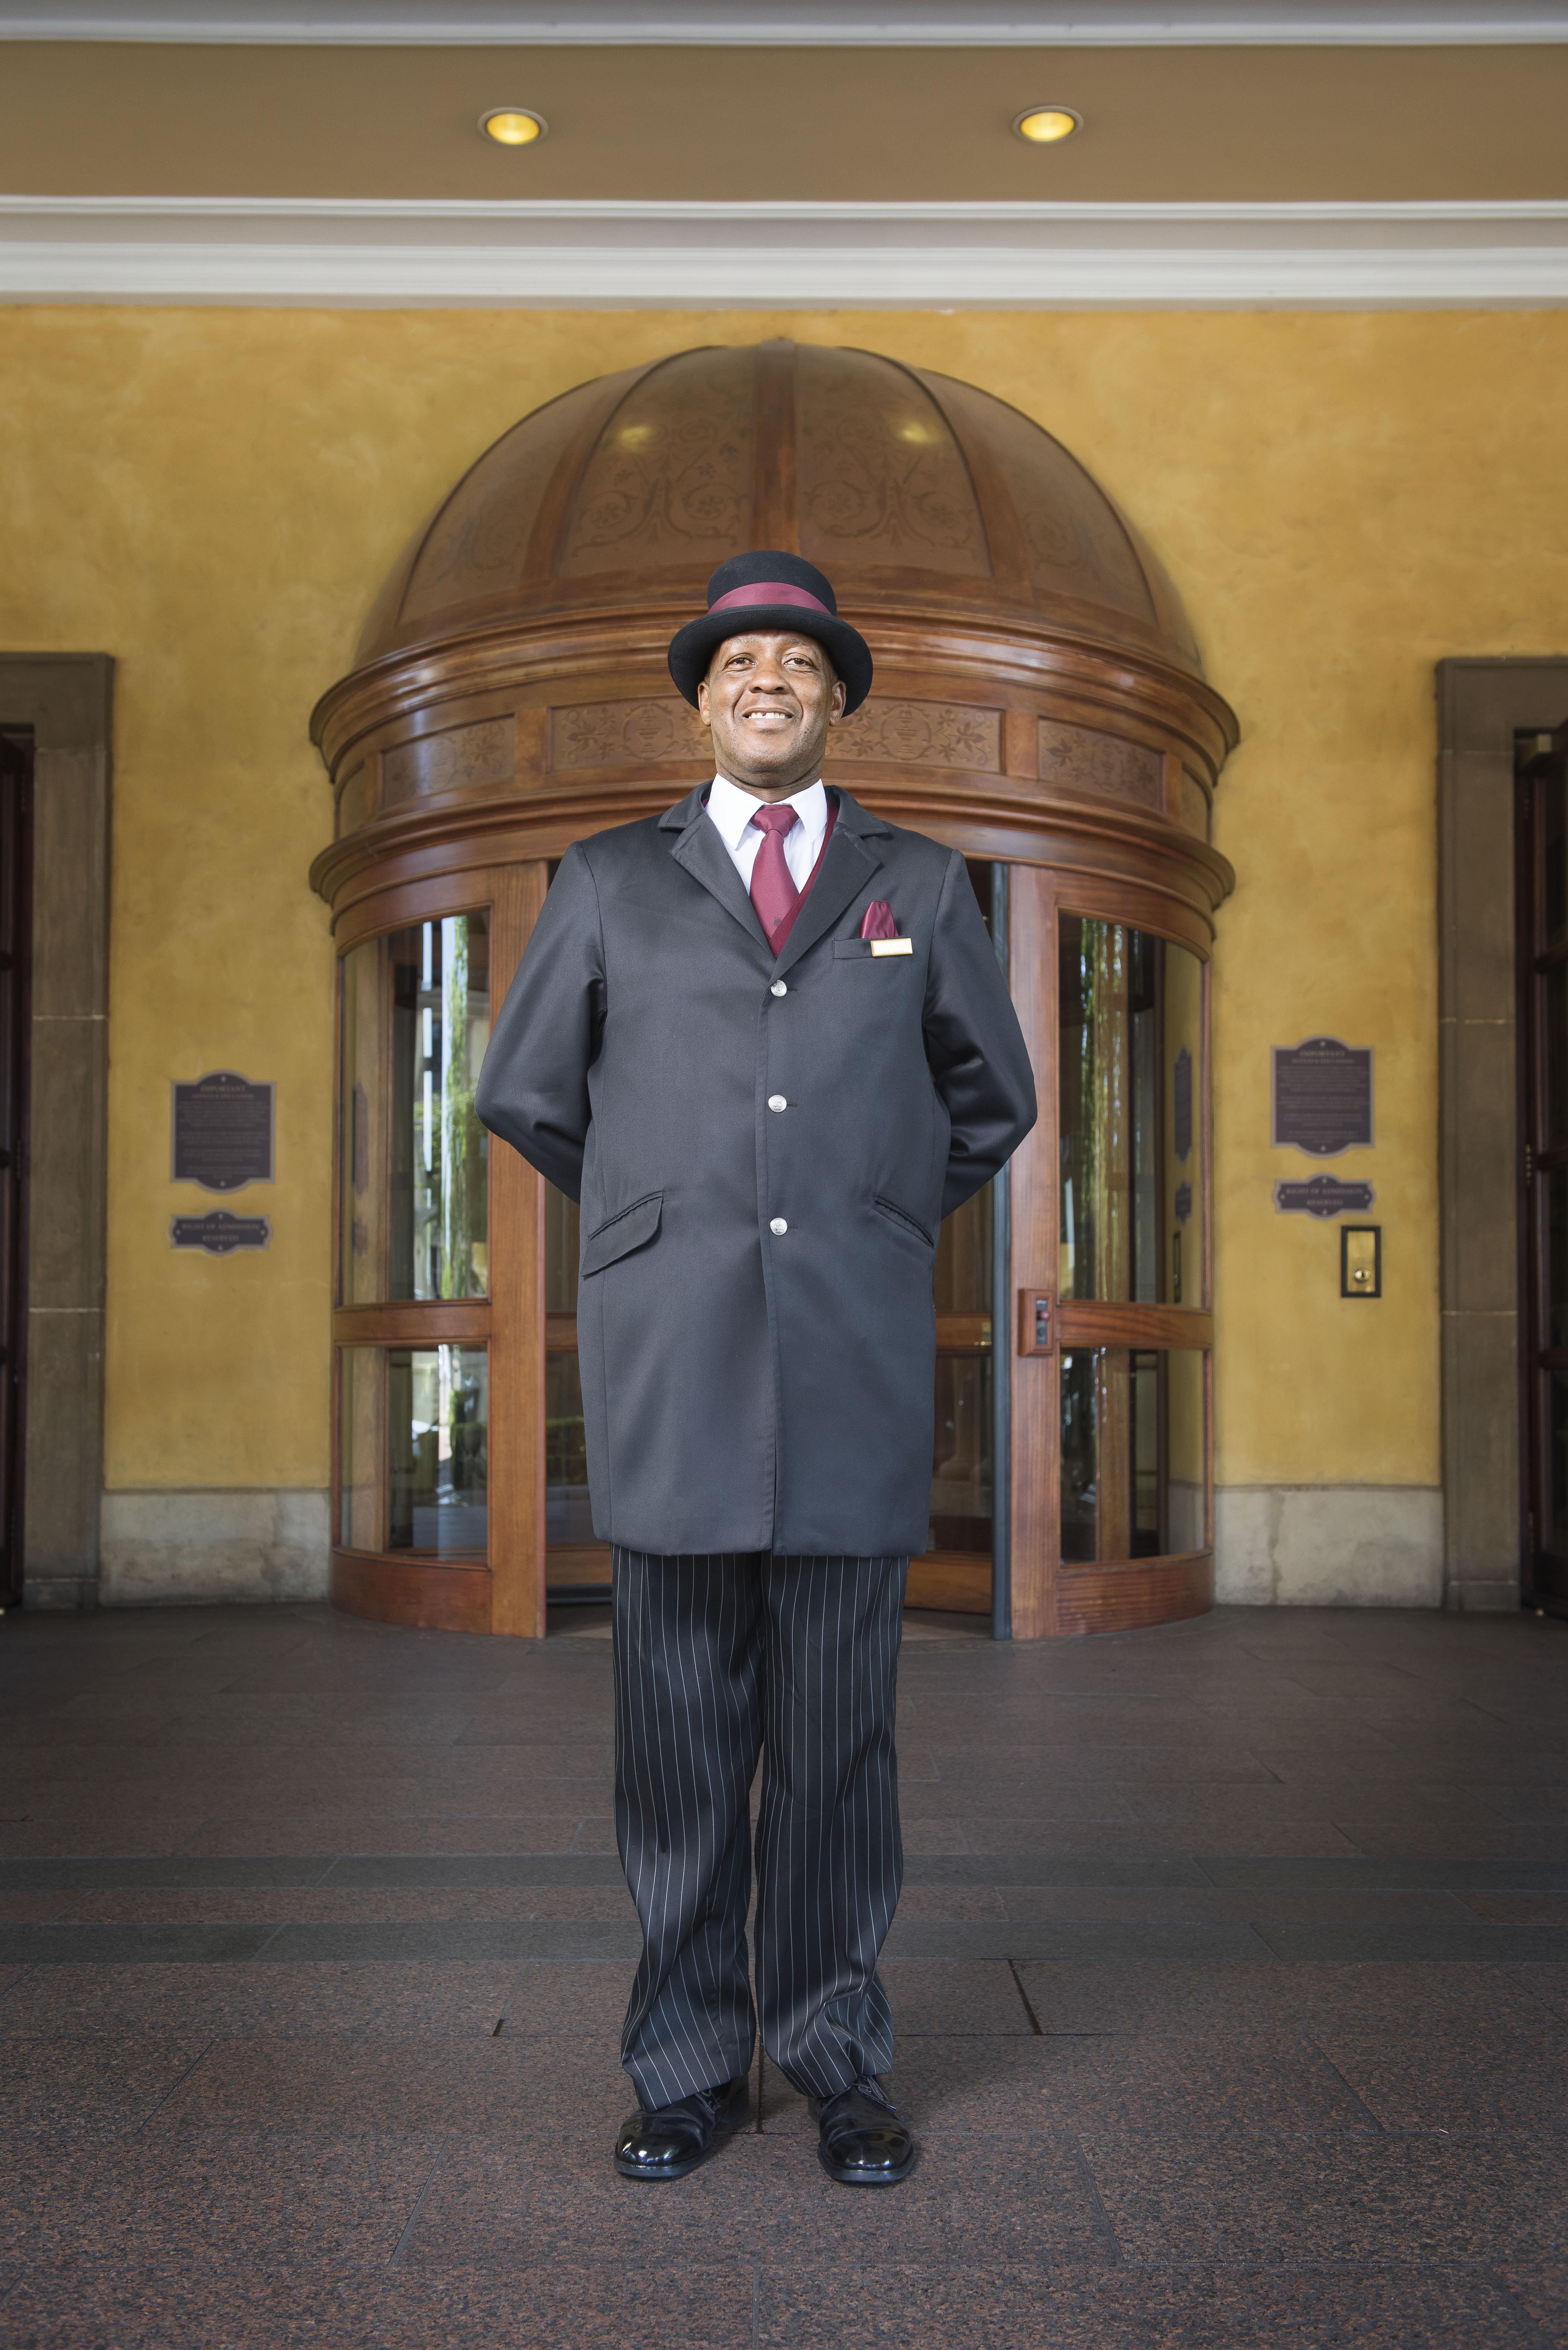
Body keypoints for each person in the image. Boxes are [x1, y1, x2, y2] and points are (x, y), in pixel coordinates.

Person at [475, 549, 1036, 2188]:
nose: (769, 680)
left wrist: (863, 1215)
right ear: (702, 698)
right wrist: (659, 1210)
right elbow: (527, 1094)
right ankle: (688, 2066)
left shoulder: (919, 883)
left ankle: (841, 2063)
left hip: (853, 1374)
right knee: (676, 1746)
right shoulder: (606, 877)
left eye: (799, 660)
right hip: (672, 1369)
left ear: (838, 696)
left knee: (842, 1750)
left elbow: (988, 1102)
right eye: (739, 662)